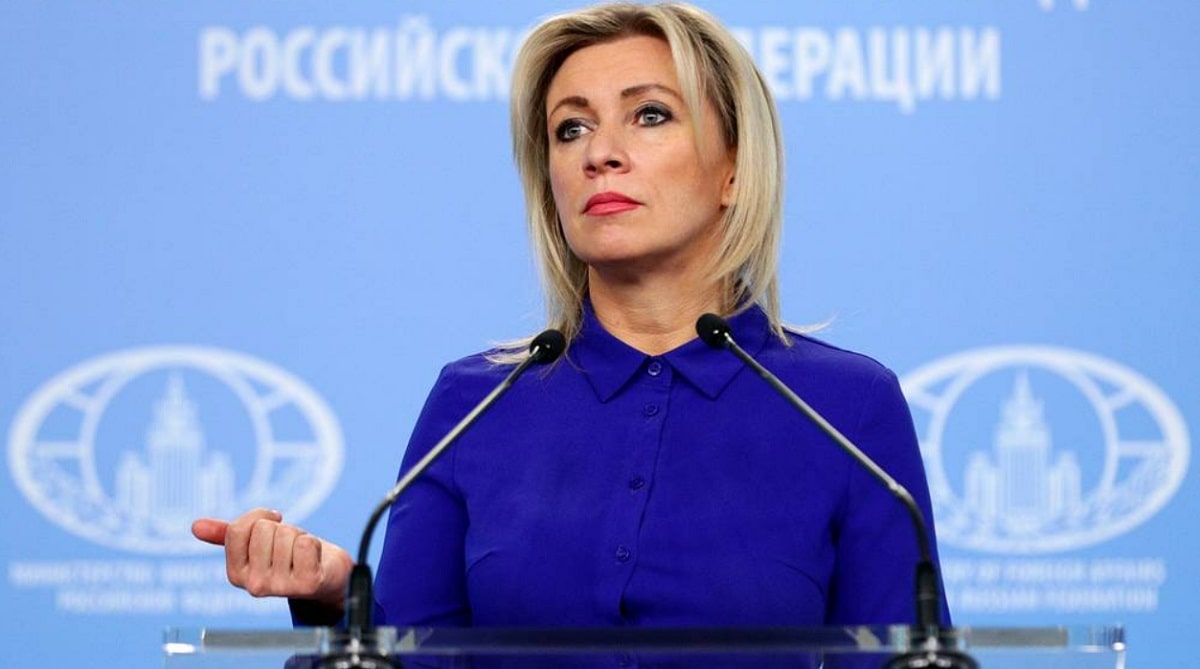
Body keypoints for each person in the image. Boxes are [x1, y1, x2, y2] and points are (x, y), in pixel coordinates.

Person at [193, 0, 947, 635]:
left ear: (734, 169)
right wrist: (336, 600)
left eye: (649, 115)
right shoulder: (475, 402)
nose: (601, 154)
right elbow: (414, 656)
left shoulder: (847, 406)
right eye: (571, 129)